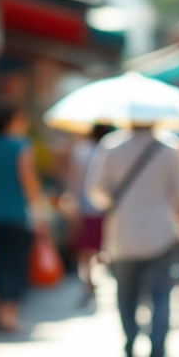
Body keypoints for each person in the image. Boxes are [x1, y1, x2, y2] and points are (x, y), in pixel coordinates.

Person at [87, 124, 179, 357]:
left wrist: (117, 202)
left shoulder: (111, 146)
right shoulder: (171, 149)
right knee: (161, 296)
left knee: (126, 296)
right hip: (160, 232)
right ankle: (157, 354)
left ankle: (130, 347)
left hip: (121, 234)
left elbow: (95, 191)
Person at [0, 104, 46, 332]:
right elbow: (30, 183)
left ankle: (1, 311)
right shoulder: (20, 147)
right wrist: (40, 212)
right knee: (16, 264)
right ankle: (9, 312)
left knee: (0, 262)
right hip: (17, 214)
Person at [62, 123, 113, 304]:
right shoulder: (112, 150)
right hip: (108, 209)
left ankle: (89, 285)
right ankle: (100, 281)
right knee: (105, 248)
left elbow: (74, 181)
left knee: (85, 252)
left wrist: (72, 203)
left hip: (85, 208)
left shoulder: (81, 151)